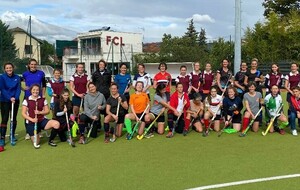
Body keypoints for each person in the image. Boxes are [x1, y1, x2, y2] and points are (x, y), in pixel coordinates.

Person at [21, 84, 60, 148]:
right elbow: (23, 114)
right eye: (34, 90)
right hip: (31, 123)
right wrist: (32, 119)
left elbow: (47, 111)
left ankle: (50, 140)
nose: (35, 91)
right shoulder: (26, 100)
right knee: (36, 142)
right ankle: (37, 132)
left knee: (56, 124)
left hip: (42, 120)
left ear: (39, 91)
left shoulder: (43, 100)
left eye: (37, 90)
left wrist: (40, 112)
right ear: (31, 90)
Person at [22, 59, 47, 140]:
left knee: (38, 114)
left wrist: (43, 94)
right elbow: (17, 81)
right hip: (28, 97)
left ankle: (38, 131)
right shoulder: (25, 74)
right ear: (28, 65)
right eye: (31, 64)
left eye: (35, 64)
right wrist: (23, 88)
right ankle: (28, 132)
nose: (33, 66)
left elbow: (43, 85)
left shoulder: (41, 73)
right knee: (28, 115)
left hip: (38, 97)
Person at [0, 63, 21, 146]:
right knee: (4, 119)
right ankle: (2, 138)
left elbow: (18, 88)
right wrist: (9, 98)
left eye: (10, 68)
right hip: (4, 100)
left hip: (15, 101)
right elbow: (2, 89)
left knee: (13, 118)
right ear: (5, 69)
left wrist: (15, 98)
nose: (9, 69)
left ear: (13, 68)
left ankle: (12, 135)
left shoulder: (17, 77)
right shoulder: (2, 77)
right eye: (7, 68)